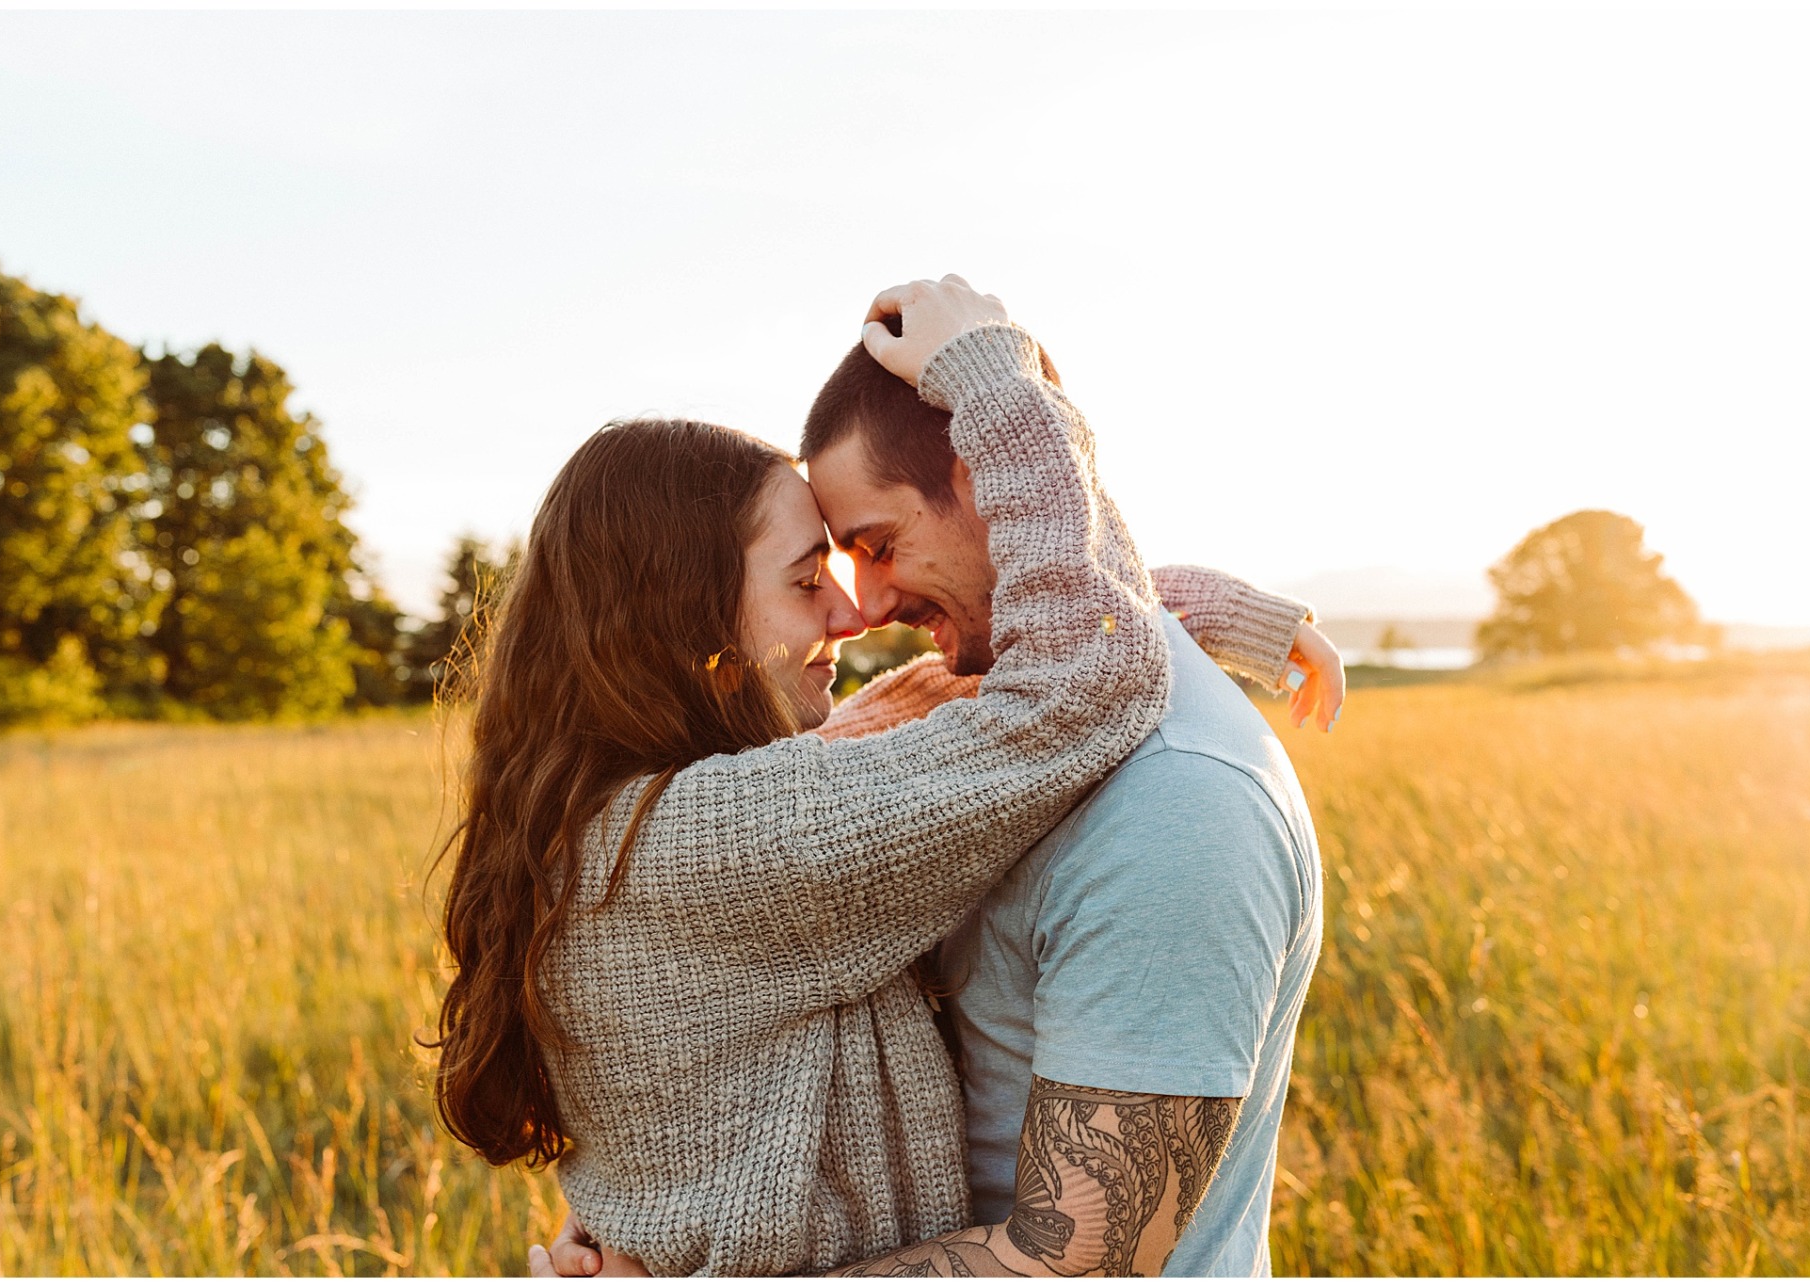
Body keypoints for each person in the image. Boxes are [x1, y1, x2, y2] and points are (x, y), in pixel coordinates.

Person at [536, 283, 1333, 1276]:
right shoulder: (726, 831)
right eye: (810, 575)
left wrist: (1221, 614)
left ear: (991, 479)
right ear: (684, 622)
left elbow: (1063, 652)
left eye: (871, 548)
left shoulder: (1178, 804)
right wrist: (999, 383)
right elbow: (1080, 664)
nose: (856, 610)